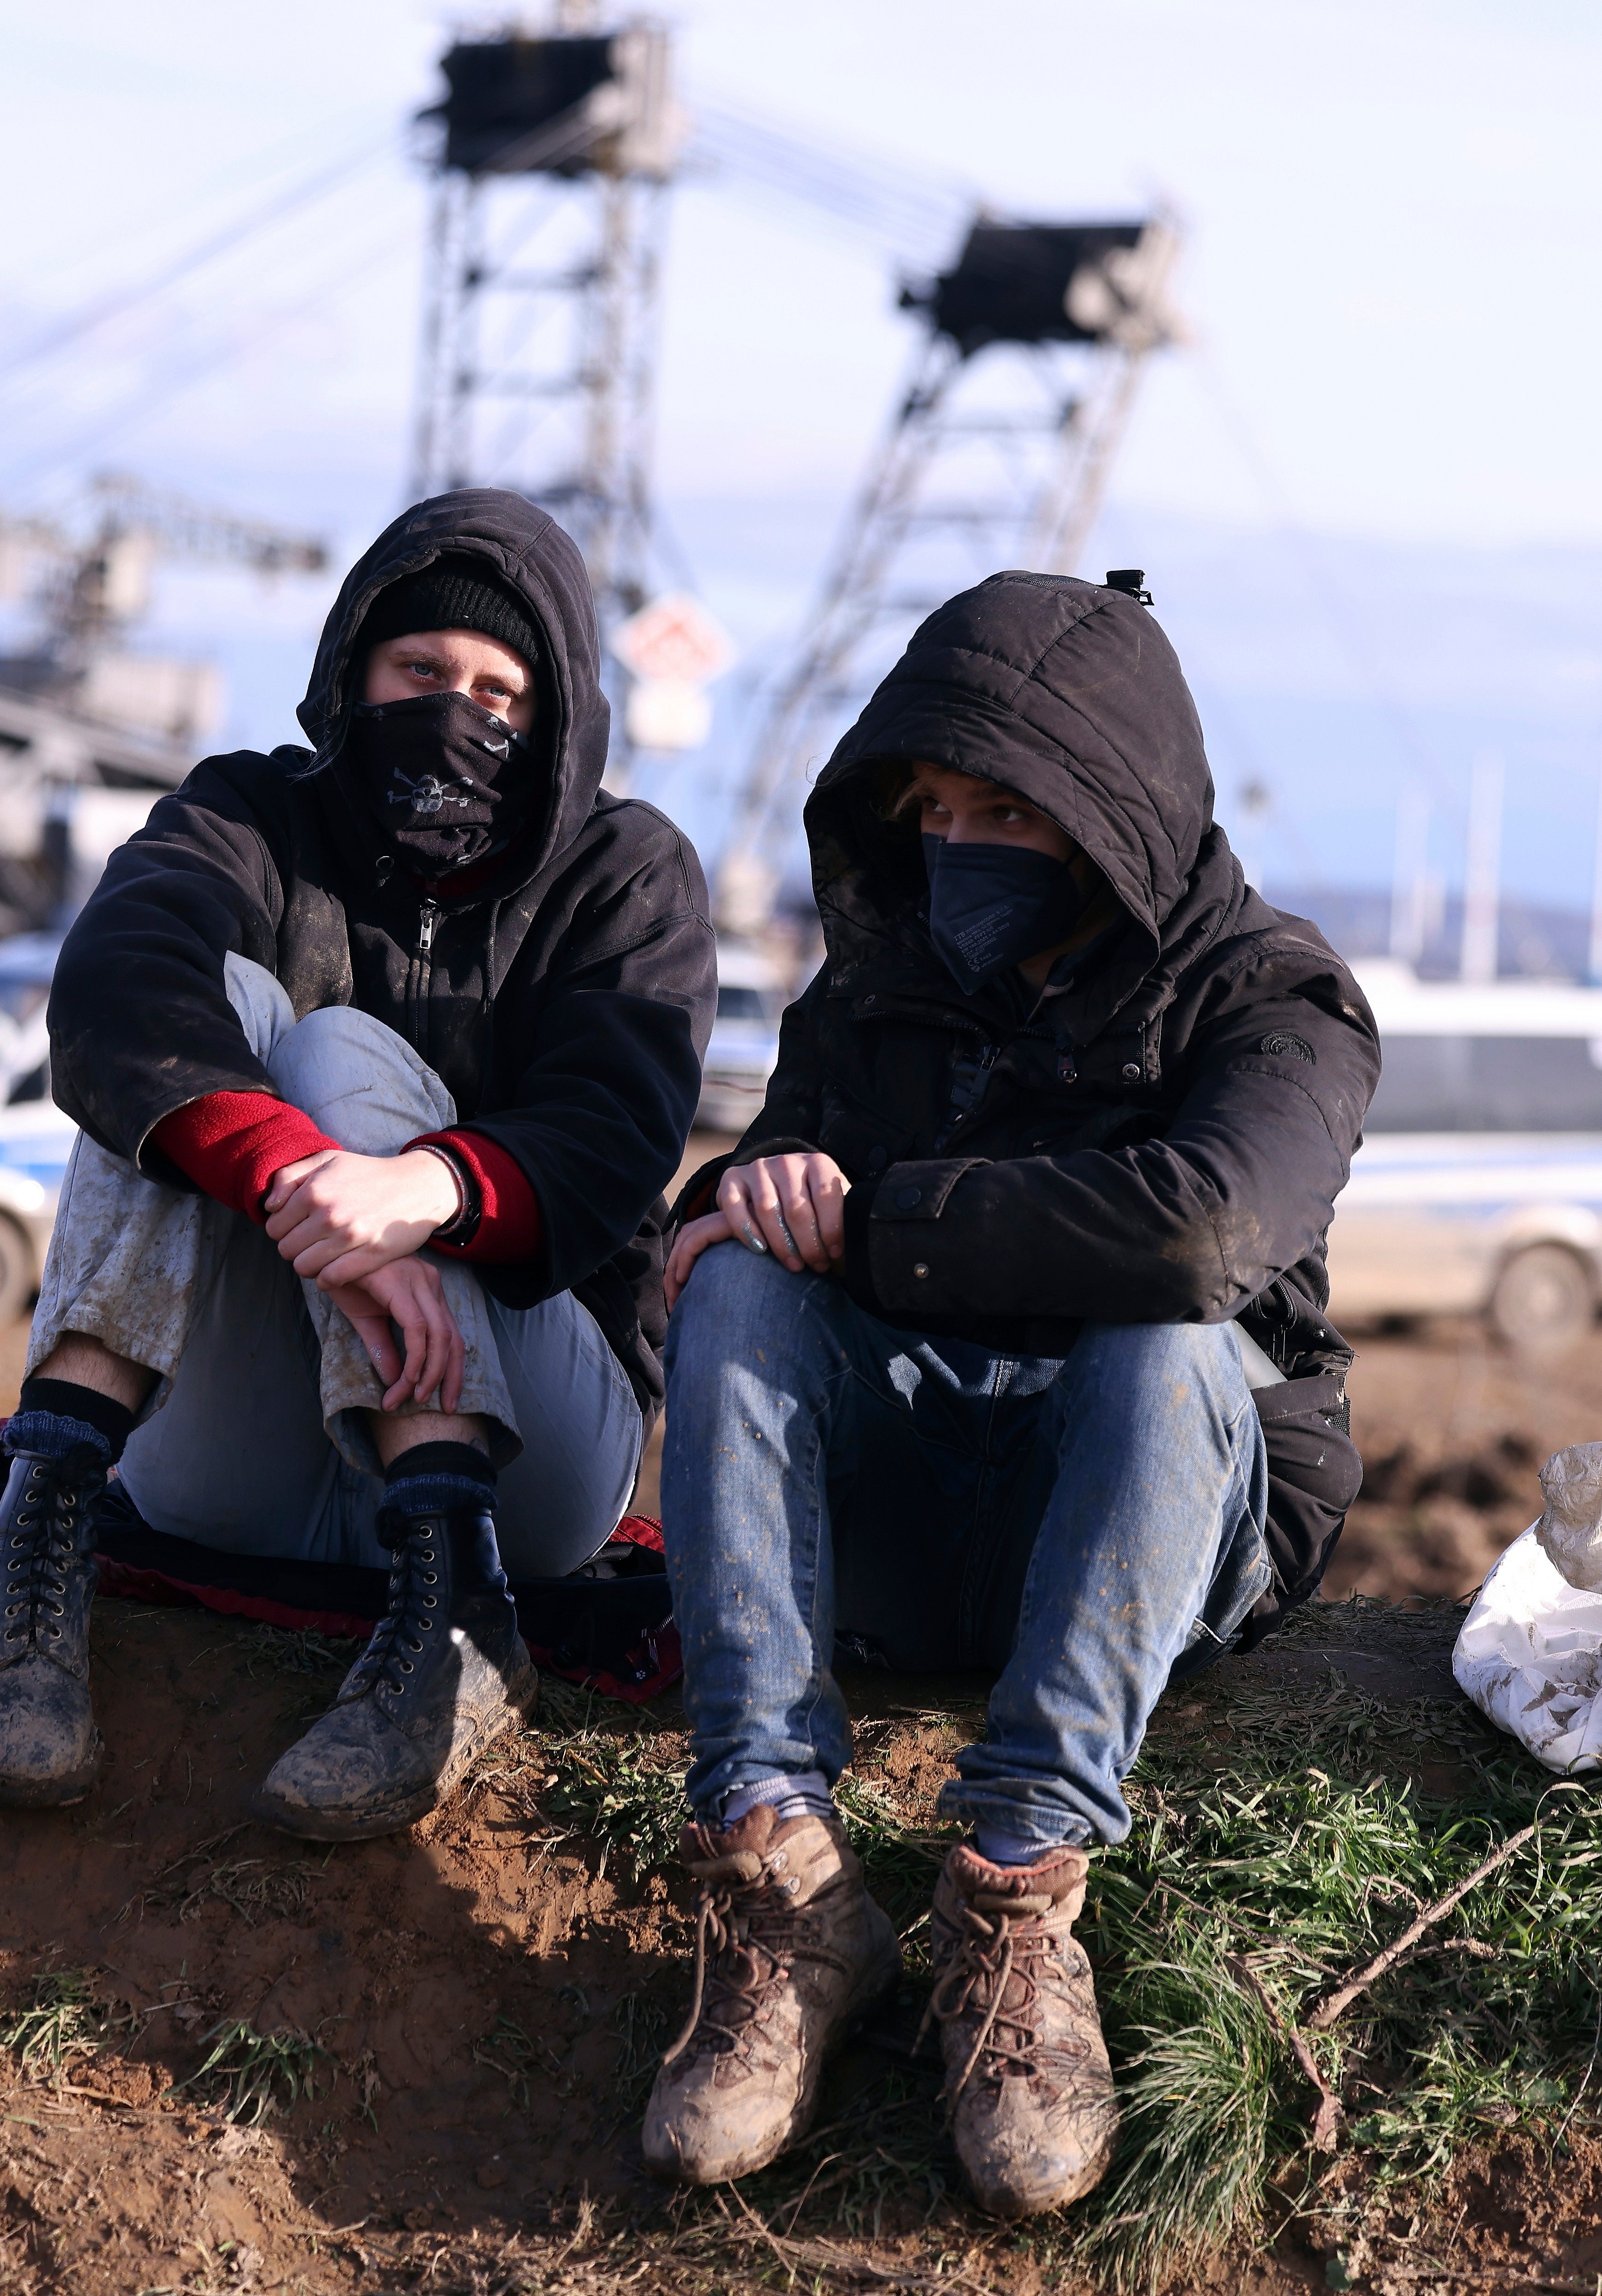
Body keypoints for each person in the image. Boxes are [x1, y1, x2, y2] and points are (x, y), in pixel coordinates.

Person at [634, 572, 1380, 2220]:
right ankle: (777, 1870)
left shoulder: (1277, 1003)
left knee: (1164, 1329)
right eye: (935, 811)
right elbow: (761, 1192)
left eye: (1007, 813)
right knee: (741, 1278)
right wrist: (732, 1206)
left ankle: (1019, 1894)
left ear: (1113, 816)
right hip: (917, 1523)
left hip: (1155, 1535)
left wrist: (885, 1225)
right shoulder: (875, 990)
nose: (958, 846)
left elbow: (1202, 1229)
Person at [0, 488, 711, 1843]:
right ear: (354, 669)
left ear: (554, 718)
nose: (455, 710)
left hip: (535, 1461)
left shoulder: (626, 871)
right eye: (420, 668)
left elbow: (618, 1131)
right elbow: (114, 991)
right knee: (196, 1024)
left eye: (498, 691)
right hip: (246, 1460)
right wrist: (298, 1182)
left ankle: (460, 1619)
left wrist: (427, 1195)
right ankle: (38, 1541)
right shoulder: (248, 811)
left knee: (340, 1046)